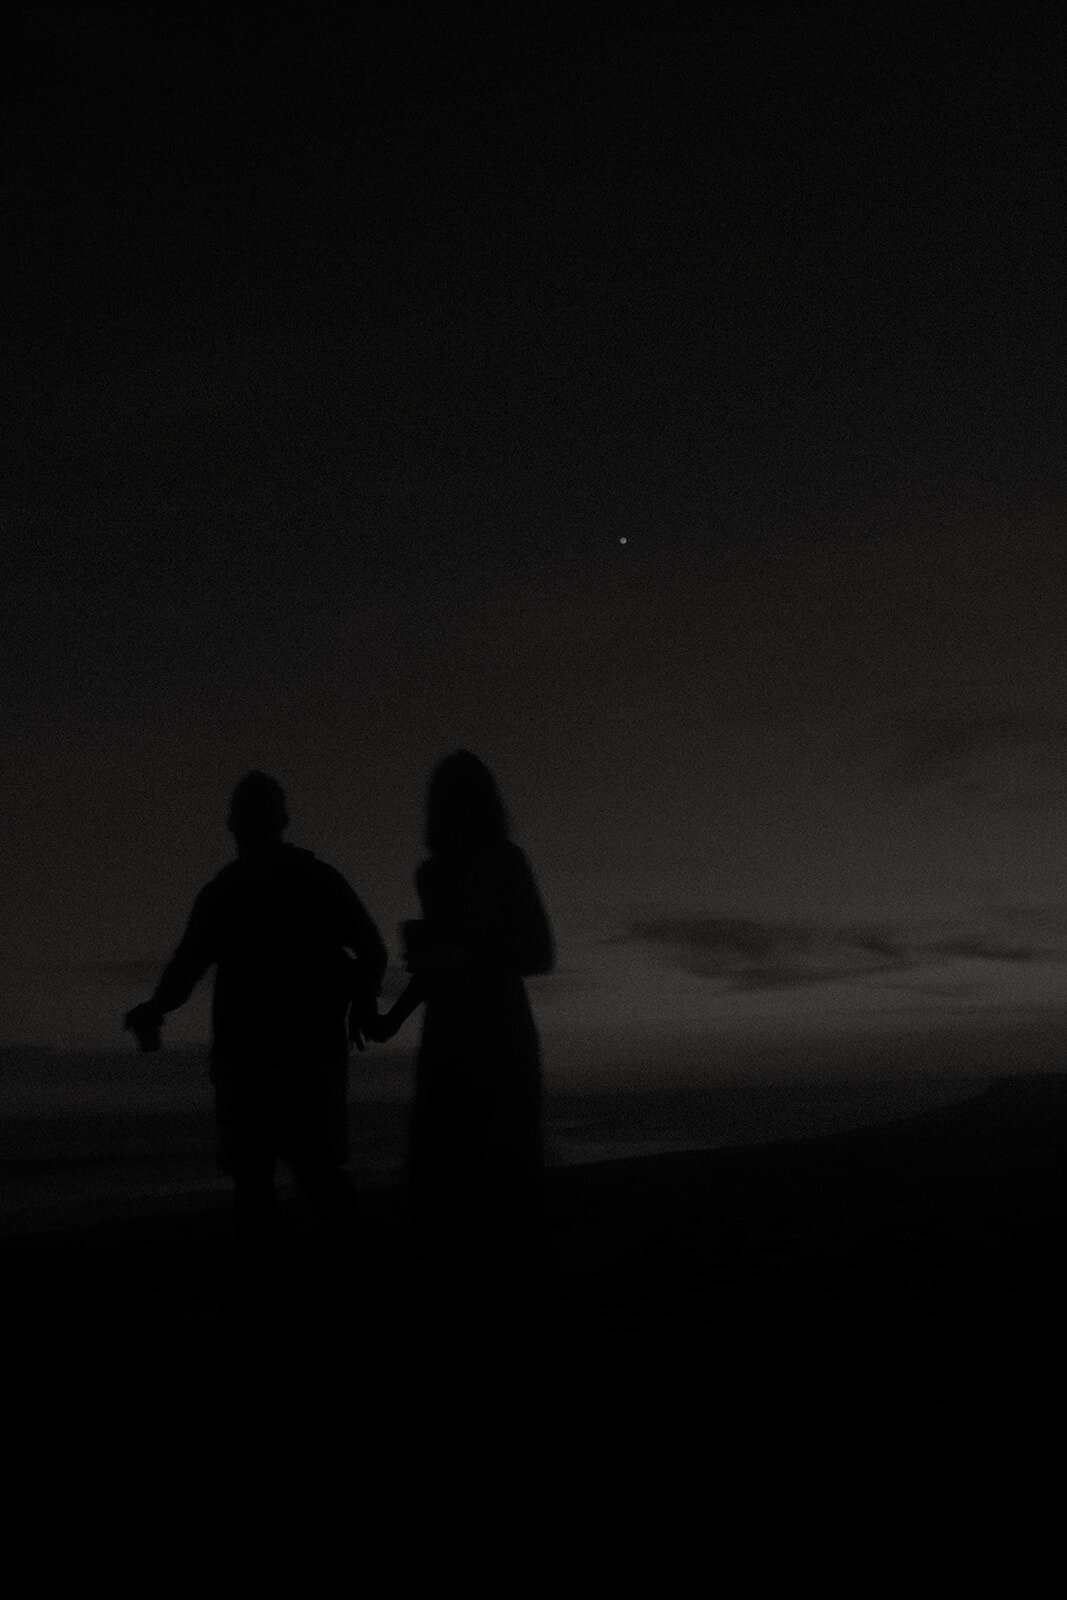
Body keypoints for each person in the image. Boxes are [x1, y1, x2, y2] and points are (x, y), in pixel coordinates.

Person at [124, 772, 387, 1259]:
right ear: (280, 820)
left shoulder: (229, 890)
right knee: (310, 1171)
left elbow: (186, 968)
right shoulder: (312, 879)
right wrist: (361, 1002)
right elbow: (372, 950)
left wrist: (155, 1009)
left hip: (257, 1056)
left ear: (233, 824)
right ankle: (356, 1266)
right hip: (297, 1053)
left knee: (266, 1179)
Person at [366, 751, 554, 1297]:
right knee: (442, 1180)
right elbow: (434, 970)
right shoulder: (431, 874)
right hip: (450, 1039)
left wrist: (467, 955)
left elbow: (540, 952)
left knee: (507, 1178)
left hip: (499, 1036)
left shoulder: (506, 861)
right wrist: (393, 1018)